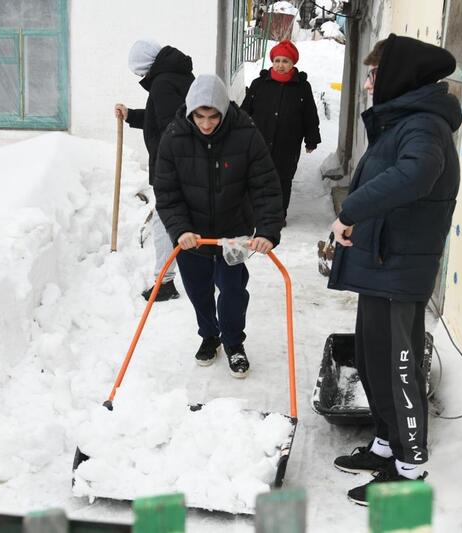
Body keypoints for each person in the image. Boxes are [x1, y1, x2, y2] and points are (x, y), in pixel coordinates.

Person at [327, 34, 461, 506]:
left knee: (398, 370)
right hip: (383, 264)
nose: (366, 84)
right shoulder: (404, 121)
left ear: (398, 77)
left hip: (400, 270)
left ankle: (409, 471)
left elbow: (414, 175)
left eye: (373, 74)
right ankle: (386, 445)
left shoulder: (424, 127)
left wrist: (351, 211)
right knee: (371, 360)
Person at [154, 74, 283, 377]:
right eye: (199, 116)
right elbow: (167, 193)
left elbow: (265, 187)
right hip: (191, 237)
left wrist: (266, 230)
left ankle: (234, 343)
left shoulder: (246, 135)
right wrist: (180, 229)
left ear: (224, 111)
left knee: (233, 291)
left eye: (214, 116)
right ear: (190, 111)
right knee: (199, 291)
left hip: (233, 235)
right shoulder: (174, 137)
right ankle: (210, 336)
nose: (207, 123)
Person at [114, 38, 194, 302]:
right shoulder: (178, 77)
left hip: (171, 166)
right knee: (183, 217)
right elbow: (159, 118)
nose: (140, 76)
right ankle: (186, 275)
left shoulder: (161, 84)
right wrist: (131, 115)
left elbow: (172, 128)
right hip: (186, 163)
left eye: (139, 71)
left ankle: (165, 281)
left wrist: (168, 168)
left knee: (164, 220)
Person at [240, 40, 321, 224]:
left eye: (285, 61)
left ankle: (278, 215)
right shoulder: (259, 84)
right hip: (259, 141)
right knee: (256, 177)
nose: (280, 65)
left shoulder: (302, 87)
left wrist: (311, 139)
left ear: (293, 63)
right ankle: (254, 213)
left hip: (288, 144)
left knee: (282, 179)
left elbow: (310, 114)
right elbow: (244, 112)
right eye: (277, 60)